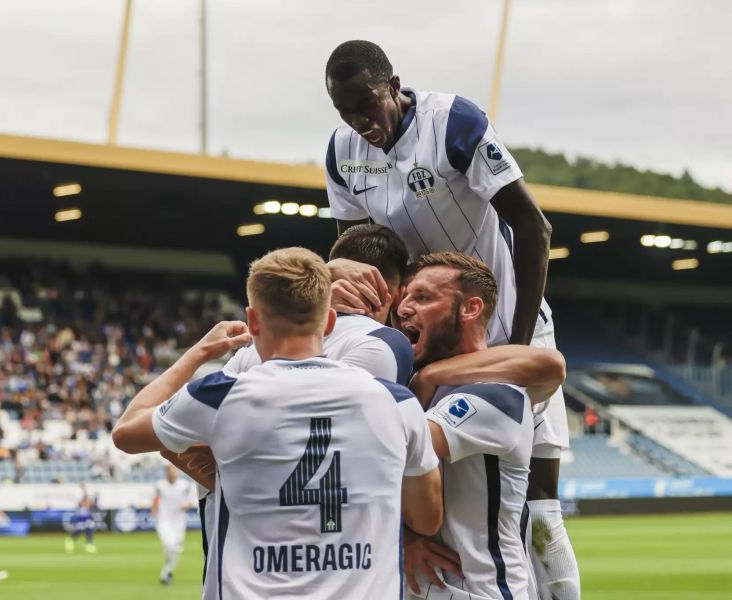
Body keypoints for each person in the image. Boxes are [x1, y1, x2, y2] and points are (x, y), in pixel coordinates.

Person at [323, 40, 578, 598]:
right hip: (425, 333)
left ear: (393, 85)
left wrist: (509, 339)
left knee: (539, 514)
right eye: (344, 112)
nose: (359, 122)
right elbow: (355, 251)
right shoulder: (342, 152)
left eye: (367, 106)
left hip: (507, 325)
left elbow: (534, 230)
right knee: (424, 477)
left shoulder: (453, 122)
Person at [113, 247, 443, 599]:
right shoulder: (397, 402)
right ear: (329, 321)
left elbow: (127, 432)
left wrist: (200, 352)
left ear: (253, 321)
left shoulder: (220, 395)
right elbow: (426, 519)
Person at [399, 252, 562, 600]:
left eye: (423, 297)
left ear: (470, 309)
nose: (402, 309)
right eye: (405, 297)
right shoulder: (421, 381)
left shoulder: (498, 396)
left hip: (479, 591)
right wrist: (406, 535)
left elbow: (396, 447)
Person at [152, 464, 192, 585]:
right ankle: (166, 573)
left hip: (179, 521)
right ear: (166, 472)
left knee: (176, 549)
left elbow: (191, 500)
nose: (172, 472)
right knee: (169, 545)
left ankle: (167, 572)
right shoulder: (160, 485)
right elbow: (155, 499)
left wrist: (187, 504)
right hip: (164, 520)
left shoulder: (184, 485)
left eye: (174, 470)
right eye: (170, 470)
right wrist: (154, 511)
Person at [65, 482, 96, 554]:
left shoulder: (87, 494)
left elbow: (90, 503)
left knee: (89, 528)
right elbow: (80, 503)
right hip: (80, 515)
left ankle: (89, 544)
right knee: (80, 529)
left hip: (87, 515)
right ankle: (71, 539)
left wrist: (89, 500)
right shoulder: (78, 494)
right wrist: (86, 499)